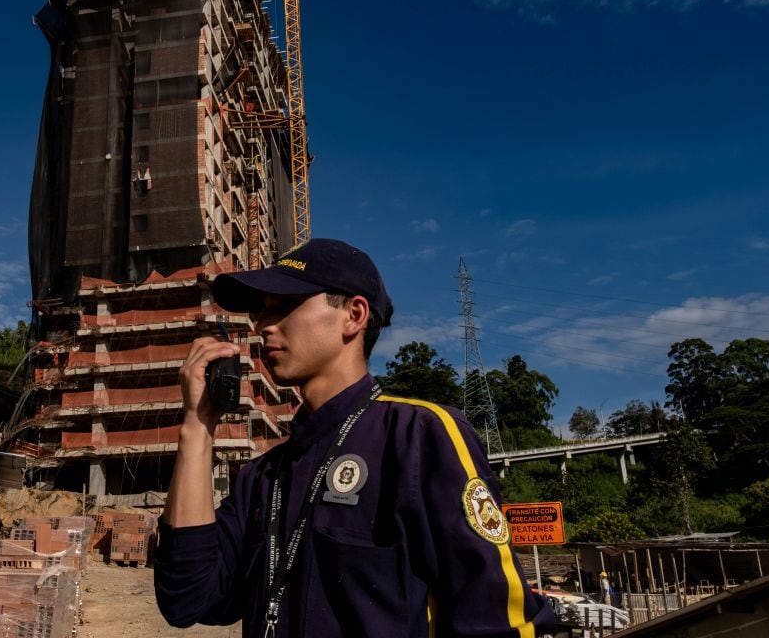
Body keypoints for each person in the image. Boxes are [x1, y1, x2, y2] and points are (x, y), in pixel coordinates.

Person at [154, 238, 557, 637]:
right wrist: (196, 425)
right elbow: (189, 598)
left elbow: (498, 619)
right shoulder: (262, 478)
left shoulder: (419, 437)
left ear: (353, 315)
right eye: (261, 311)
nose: (262, 325)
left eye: (284, 306)